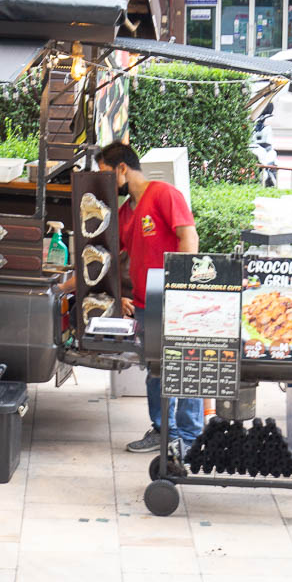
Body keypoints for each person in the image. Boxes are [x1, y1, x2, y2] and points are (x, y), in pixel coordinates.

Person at [93, 142, 203, 454]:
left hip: (175, 299)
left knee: (186, 367)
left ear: (122, 169)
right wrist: (121, 296)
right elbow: (120, 257)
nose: (105, 183)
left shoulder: (164, 193)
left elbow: (188, 236)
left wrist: (182, 287)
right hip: (143, 303)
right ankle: (162, 430)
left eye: (106, 174)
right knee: (155, 369)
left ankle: (191, 438)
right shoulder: (127, 211)